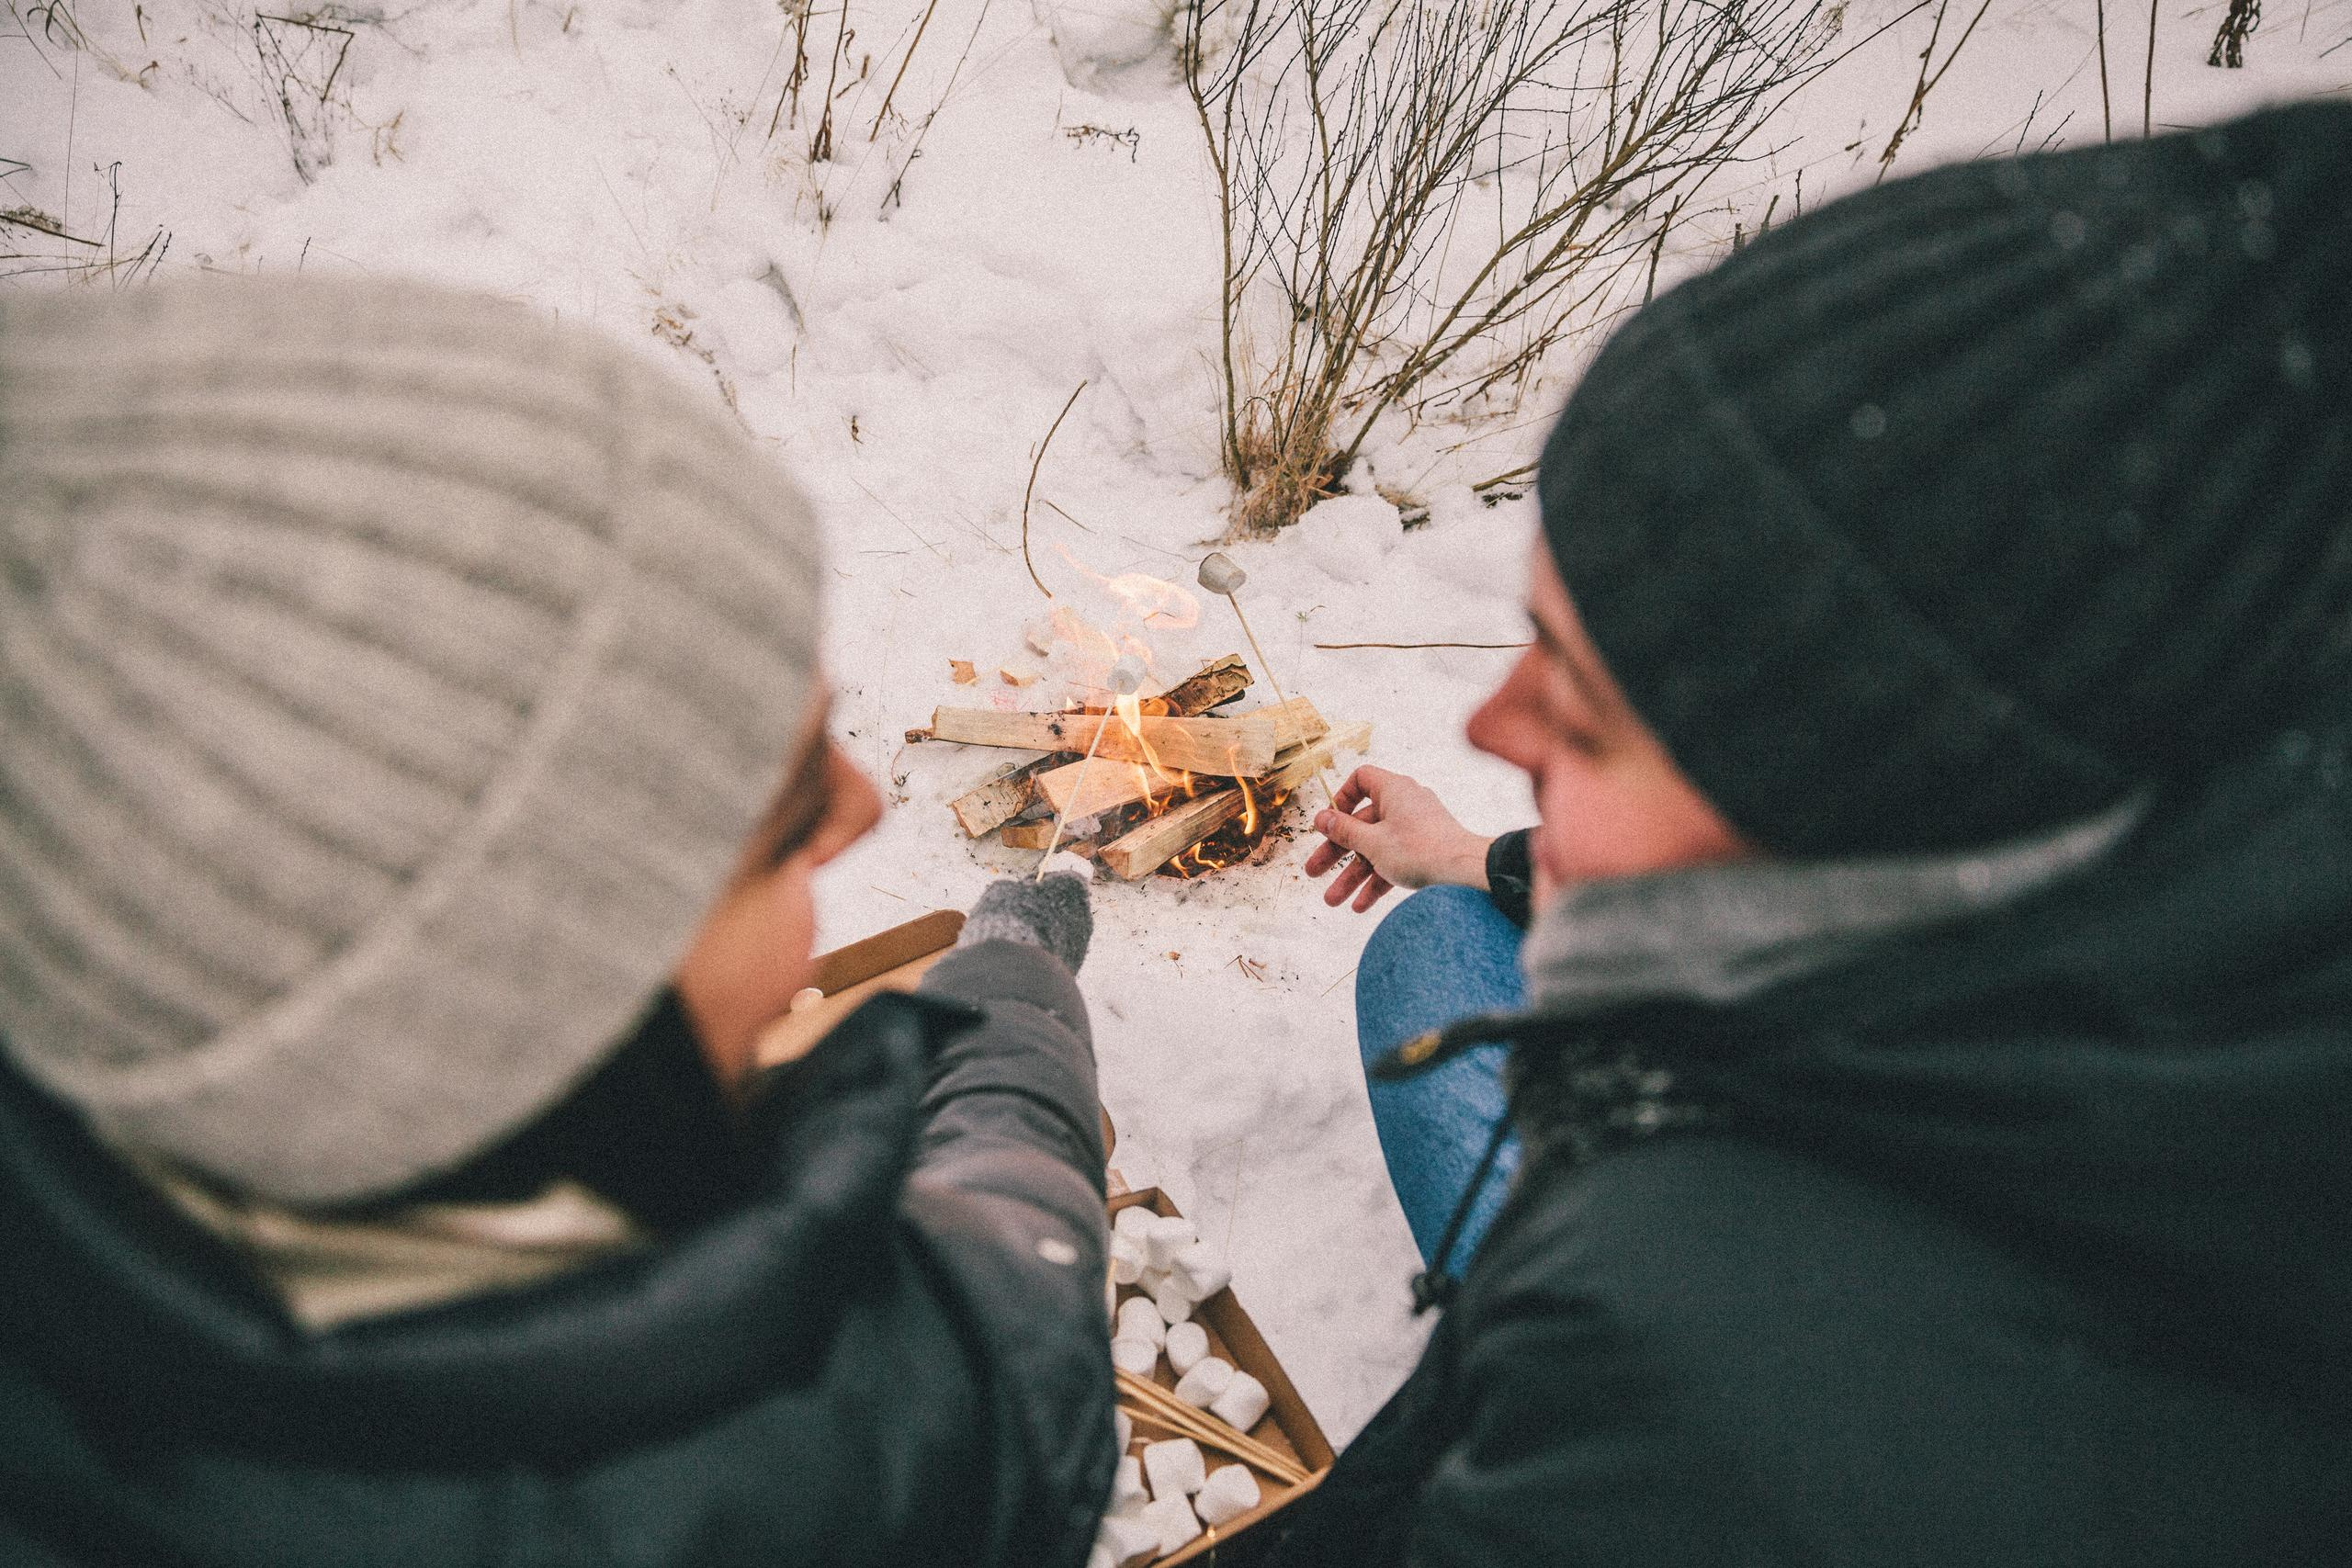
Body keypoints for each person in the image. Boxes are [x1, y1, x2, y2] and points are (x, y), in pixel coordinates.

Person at [1281, 99, 2352, 1564]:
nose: (1490, 727)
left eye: (1584, 708)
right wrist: (1477, 857)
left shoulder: (1705, 1411)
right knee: (1437, 951)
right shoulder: (2197, 861)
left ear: (1858, 820)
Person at [0, 278, 1114, 1566]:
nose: (866, 807)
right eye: (788, 803)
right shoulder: (818, 1475)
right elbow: (1013, 1304)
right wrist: (1014, 990)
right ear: (503, 1013)